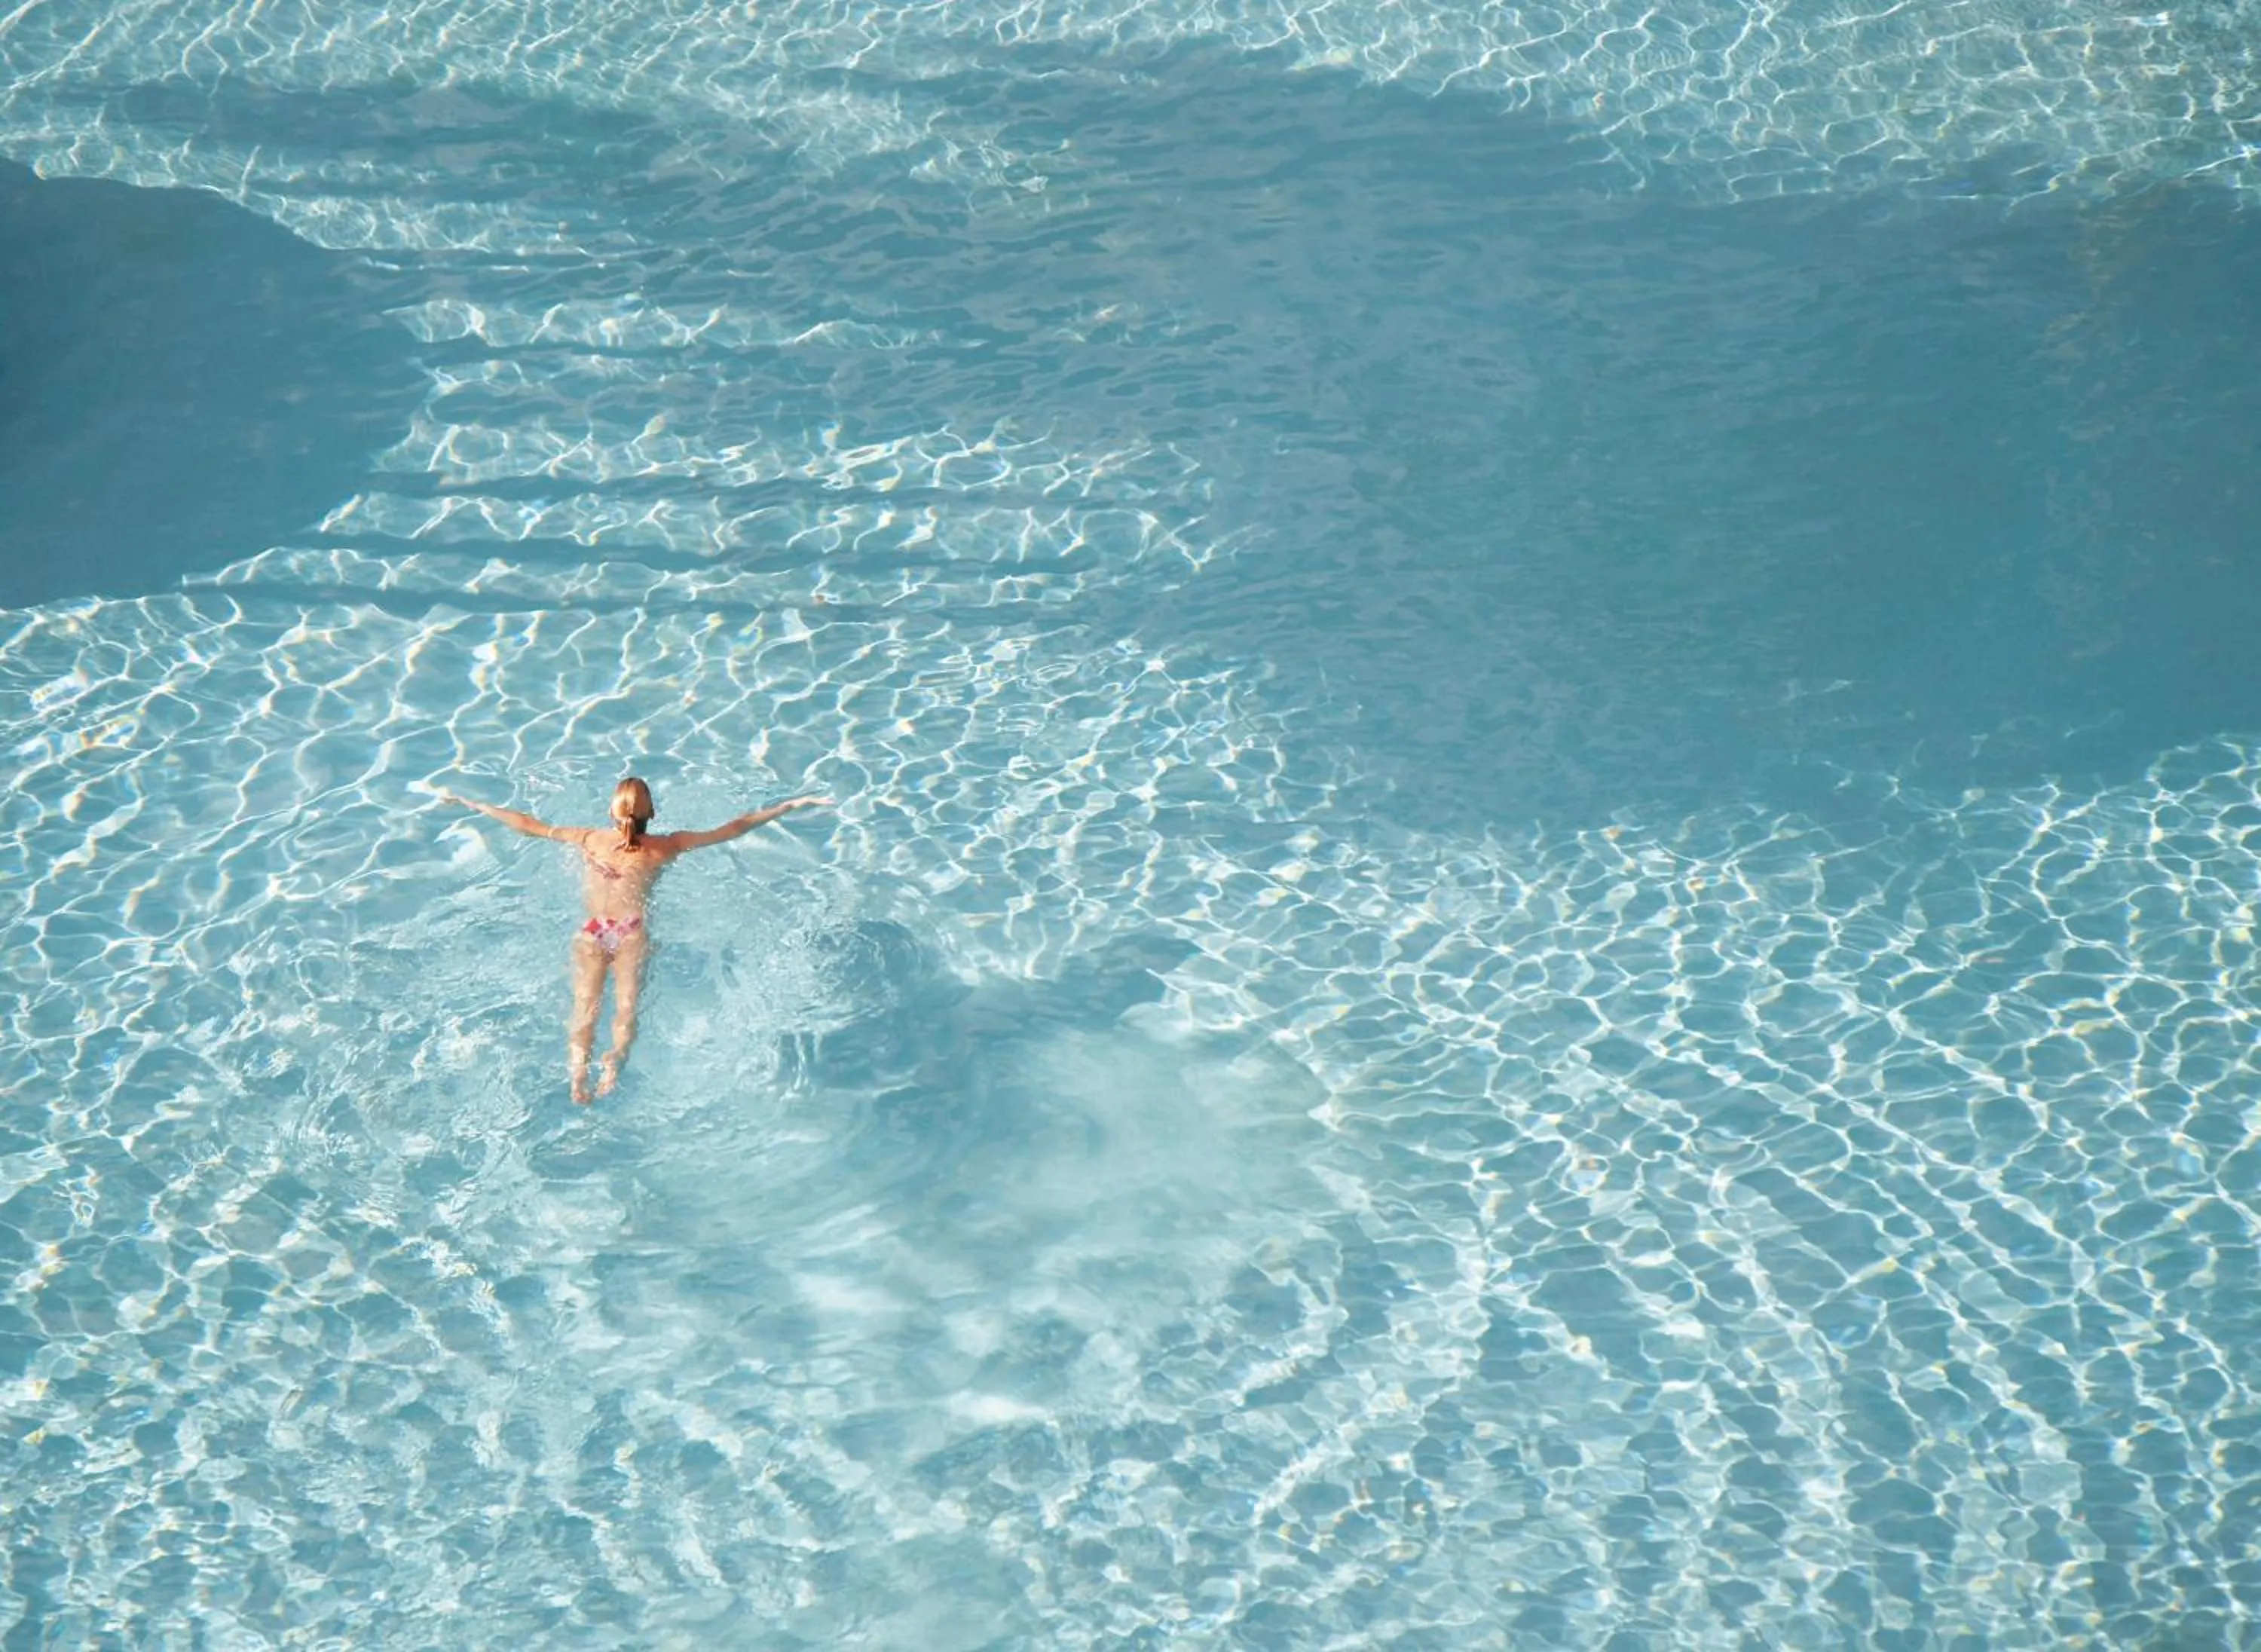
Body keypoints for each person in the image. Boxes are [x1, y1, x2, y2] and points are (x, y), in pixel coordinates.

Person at [437, 777, 832, 1103]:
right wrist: (789, 805)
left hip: (593, 930)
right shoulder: (668, 845)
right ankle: (614, 1063)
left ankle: (578, 1077)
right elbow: (734, 828)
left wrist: (473, 804)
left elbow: (527, 823)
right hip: (631, 932)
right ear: (652, 814)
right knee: (625, 1008)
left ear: (612, 812)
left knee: (585, 1007)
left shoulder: (588, 839)